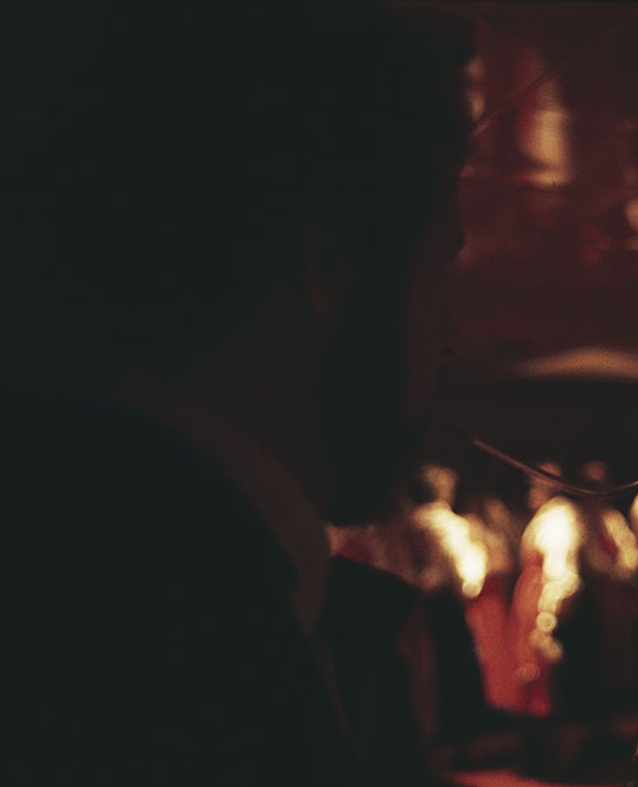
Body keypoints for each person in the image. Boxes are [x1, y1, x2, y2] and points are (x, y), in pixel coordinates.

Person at [1, 1, 474, 784]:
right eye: (438, 268)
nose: (451, 332)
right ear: (327, 259)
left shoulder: (70, 530)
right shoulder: (161, 635)